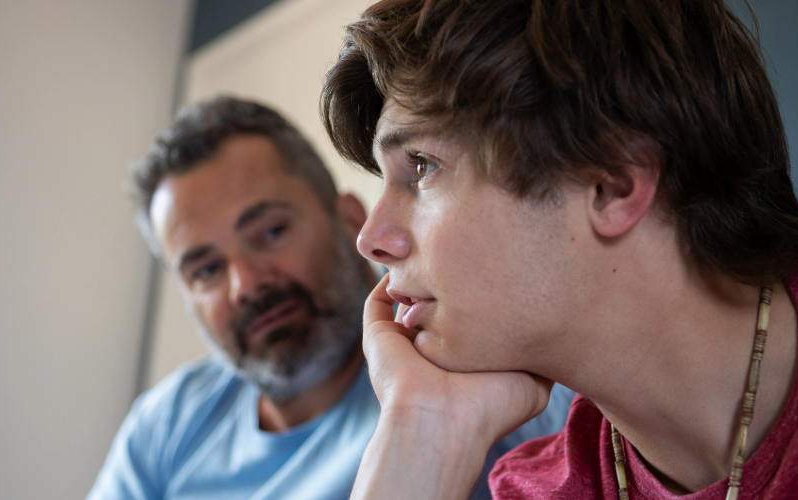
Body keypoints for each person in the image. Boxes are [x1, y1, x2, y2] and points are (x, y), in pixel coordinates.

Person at [319, 0, 798, 498]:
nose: (372, 240)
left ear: (612, 182)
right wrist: (422, 430)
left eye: (421, 166)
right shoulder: (535, 490)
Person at [87, 96, 576, 500]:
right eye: (207, 269)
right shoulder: (166, 426)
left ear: (350, 221)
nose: (247, 284)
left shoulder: (477, 358)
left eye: (271, 231)